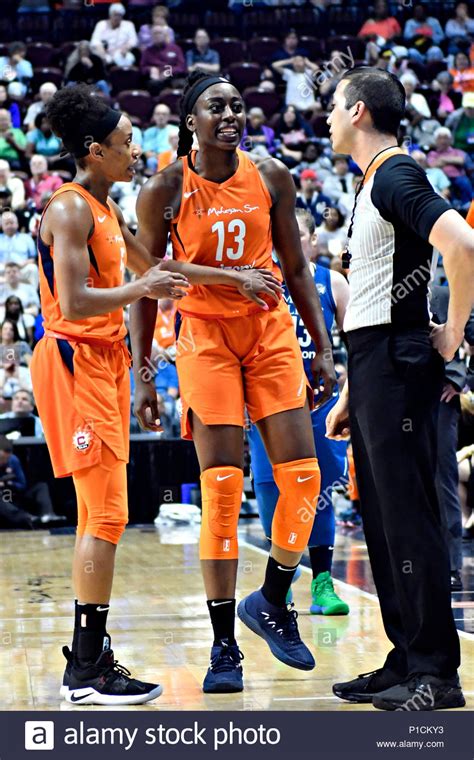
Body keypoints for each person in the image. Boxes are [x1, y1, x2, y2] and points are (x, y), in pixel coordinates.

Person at [130, 71, 336, 694]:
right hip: (204, 338)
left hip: (270, 333)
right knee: (222, 488)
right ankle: (224, 646)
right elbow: (147, 284)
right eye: (216, 106)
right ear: (190, 119)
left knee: (304, 476)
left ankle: (272, 597)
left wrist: (323, 347)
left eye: (237, 106)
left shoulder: (271, 175)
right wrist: (143, 370)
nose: (230, 114)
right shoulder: (163, 189)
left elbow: (296, 266)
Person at [29, 83, 190, 706]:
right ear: (94, 151)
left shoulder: (108, 209)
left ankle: (90, 659)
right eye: (126, 145)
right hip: (73, 359)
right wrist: (141, 288)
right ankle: (88, 670)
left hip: (107, 363)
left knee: (101, 515)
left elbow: (157, 267)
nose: (135, 152)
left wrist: (230, 278)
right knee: (105, 515)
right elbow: (72, 303)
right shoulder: (67, 209)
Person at [326, 66, 472, 710]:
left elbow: (463, 244)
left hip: (399, 358)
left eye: (334, 106)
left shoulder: (395, 174)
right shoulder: (371, 183)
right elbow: (371, 298)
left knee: (408, 517)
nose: (327, 118)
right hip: (375, 362)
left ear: (358, 111)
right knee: (382, 519)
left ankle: (438, 674)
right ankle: (407, 655)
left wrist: (452, 335)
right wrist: (352, 393)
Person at [248, 208, 350, 615]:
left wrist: (349, 393)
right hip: (268, 399)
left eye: (296, 236)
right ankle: (282, 583)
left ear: (311, 241)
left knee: (321, 489)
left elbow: (358, 342)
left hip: (319, 400)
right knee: (272, 487)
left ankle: (323, 582)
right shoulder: (261, 279)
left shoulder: (332, 282)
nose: (286, 243)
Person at [431, 285, 474, 592]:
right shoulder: (386, 287)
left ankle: (450, 566)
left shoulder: (444, 293)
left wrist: (460, 379)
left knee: (443, 480)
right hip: (396, 394)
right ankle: (413, 563)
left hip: (439, 397)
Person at [427, 127, 472, 209]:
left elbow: (461, 161)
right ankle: (453, 205)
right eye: (440, 138)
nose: (443, 141)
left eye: (445, 138)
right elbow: (432, 165)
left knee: (464, 181)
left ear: (450, 140)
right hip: (443, 179)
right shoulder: (432, 154)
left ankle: (467, 203)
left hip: (458, 177)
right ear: (436, 140)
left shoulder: (457, 151)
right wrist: (451, 160)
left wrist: (442, 159)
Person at [140, 26, 186, 94]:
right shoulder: (147, 51)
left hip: (172, 78)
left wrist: (169, 72)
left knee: (182, 83)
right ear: (151, 36)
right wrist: (150, 69)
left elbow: (182, 67)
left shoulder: (175, 49)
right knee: (153, 84)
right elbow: (142, 68)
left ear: (165, 35)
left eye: (159, 33)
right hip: (155, 79)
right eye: (155, 33)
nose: (157, 35)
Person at [143, 104, 179, 173]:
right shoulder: (148, 132)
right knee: (151, 161)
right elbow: (147, 152)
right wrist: (161, 158)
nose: (161, 117)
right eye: (158, 114)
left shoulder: (176, 130)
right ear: (154, 116)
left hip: (172, 157)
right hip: (156, 159)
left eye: (164, 114)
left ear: (169, 116)